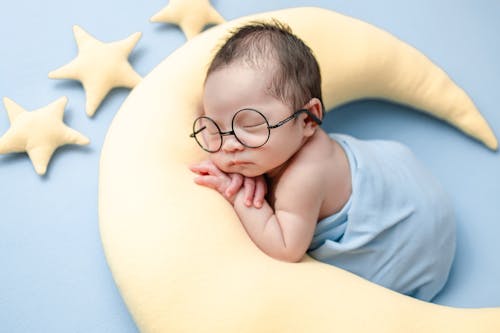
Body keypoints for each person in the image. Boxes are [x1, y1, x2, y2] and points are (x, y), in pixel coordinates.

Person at [189, 20, 455, 301]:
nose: (229, 145)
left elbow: (286, 247)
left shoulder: (303, 176)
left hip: (413, 244)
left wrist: (241, 198)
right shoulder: (277, 149)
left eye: (252, 126)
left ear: (307, 119)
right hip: (410, 183)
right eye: (214, 129)